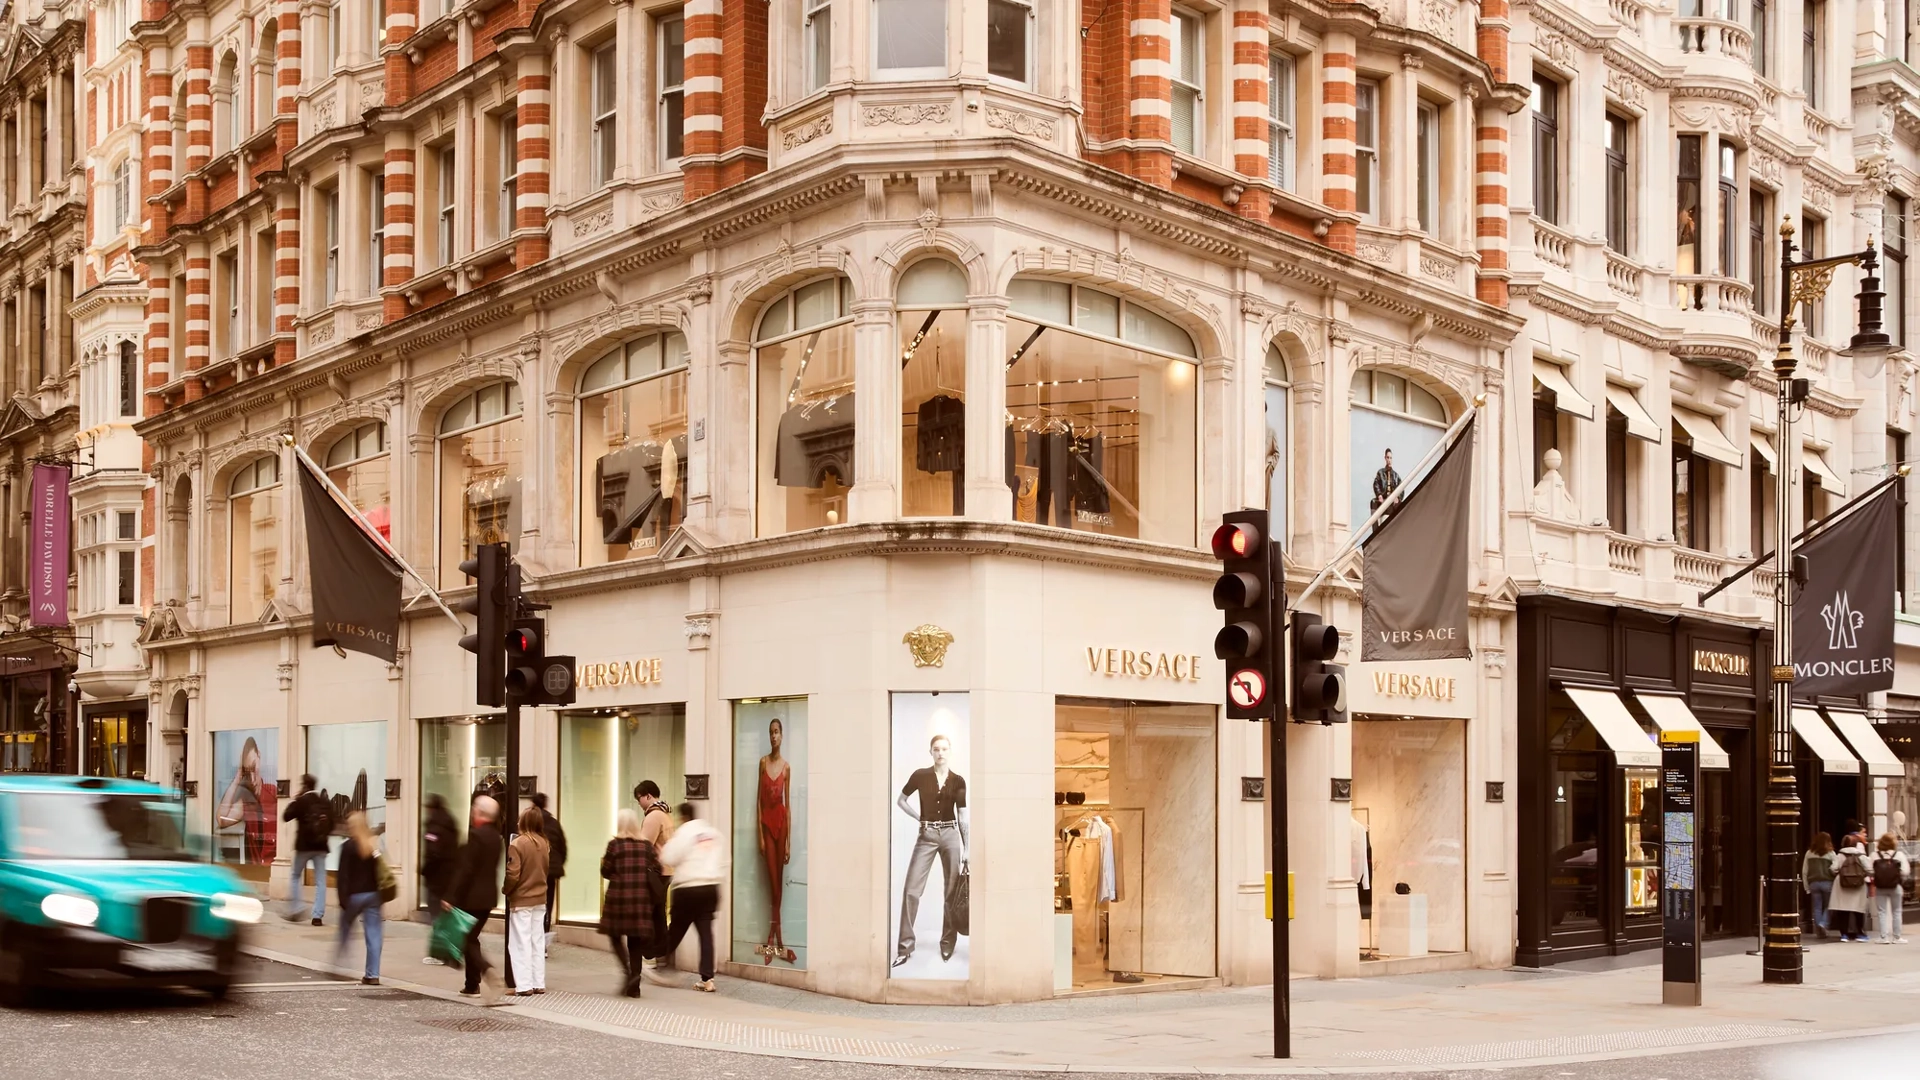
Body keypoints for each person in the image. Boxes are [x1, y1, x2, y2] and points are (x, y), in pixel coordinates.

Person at [893, 733, 969, 968]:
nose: (940, 753)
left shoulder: (958, 781)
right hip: (926, 835)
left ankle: (947, 943)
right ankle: (905, 948)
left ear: (950, 751)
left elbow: (963, 816)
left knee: (951, 891)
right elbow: (901, 800)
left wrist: (967, 848)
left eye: (944, 749)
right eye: (936, 749)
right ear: (931, 752)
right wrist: (919, 817)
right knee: (911, 890)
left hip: (950, 835)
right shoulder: (920, 775)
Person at [648, 803, 726, 992]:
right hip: (711, 887)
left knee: (676, 930)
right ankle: (707, 978)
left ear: (683, 817)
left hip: (688, 888)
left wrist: (662, 853)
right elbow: (723, 860)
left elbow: (670, 857)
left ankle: (661, 963)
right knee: (706, 934)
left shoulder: (685, 832)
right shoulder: (712, 833)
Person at [444, 795, 506, 1003]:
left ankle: (488, 972)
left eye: (474, 810)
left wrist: (450, 897)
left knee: (465, 938)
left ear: (480, 813)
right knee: (472, 938)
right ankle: (472, 984)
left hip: (472, 898)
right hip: (488, 898)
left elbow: (466, 870)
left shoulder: (477, 836)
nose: (472, 813)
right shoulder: (497, 838)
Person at [600, 808, 658, 997]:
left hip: (618, 898)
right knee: (635, 941)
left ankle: (627, 972)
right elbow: (656, 868)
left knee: (615, 936)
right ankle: (635, 983)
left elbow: (606, 871)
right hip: (640, 899)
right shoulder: (647, 847)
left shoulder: (614, 845)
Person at [757, 718, 795, 965]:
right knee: (773, 884)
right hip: (767, 825)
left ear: (782, 736)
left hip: (781, 824)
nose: (773, 736)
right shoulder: (763, 763)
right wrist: (759, 835)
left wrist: (789, 841)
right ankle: (776, 941)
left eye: (777, 732)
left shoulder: (786, 767)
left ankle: (774, 940)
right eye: (770, 732)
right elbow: (758, 802)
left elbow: (788, 806)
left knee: (778, 884)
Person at [503, 805, 551, 995]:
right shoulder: (544, 843)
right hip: (540, 898)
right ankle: (538, 982)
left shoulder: (518, 844)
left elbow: (513, 874)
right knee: (537, 941)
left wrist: (506, 890)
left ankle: (523, 986)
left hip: (522, 899)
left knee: (519, 943)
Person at [334, 812, 384, 985]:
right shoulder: (373, 846)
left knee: (345, 930)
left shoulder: (348, 846)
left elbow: (343, 876)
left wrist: (342, 900)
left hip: (354, 896)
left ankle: (340, 966)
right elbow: (380, 872)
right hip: (373, 895)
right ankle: (373, 974)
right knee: (374, 935)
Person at [215, 736, 277, 865]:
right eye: (248, 771)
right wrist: (237, 778)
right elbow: (221, 819)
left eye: (254, 767)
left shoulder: (273, 793)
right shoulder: (246, 802)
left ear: (259, 757)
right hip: (258, 868)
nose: (253, 776)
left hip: (276, 865)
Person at [282, 773, 334, 926]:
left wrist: (295, 799)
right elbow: (332, 824)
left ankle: (297, 907)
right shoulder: (324, 801)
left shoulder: (302, 801)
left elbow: (286, 816)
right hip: (321, 847)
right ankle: (317, 916)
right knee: (320, 881)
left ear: (304, 785)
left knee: (295, 875)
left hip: (304, 847)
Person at [635, 781, 676, 967]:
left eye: (639, 798)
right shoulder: (666, 815)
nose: (639, 803)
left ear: (648, 796)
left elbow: (644, 846)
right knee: (658, 911)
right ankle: (661, 952)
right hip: (667, 870)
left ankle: (652, 952)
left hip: (655, 871)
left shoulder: (653, 816)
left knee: (650, 912)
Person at [419, 793, 459, 963]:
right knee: (445, 917)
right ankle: (449, 950)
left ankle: (440, 953)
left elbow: (432, 853)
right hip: (449, 877)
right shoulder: (451, 824)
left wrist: (425, 870)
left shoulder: (434, 827)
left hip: (436, 878)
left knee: (436, 917)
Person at [531, 793, 568, 945]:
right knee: (548, 902)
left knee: (533, 903)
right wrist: (558, 863)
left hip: (534, 870)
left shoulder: (530, 821)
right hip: (551, 871)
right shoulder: (554, 823)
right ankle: (544, 936)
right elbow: (563, 845)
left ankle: (535, 937)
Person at [1830, 834, 1874, 942]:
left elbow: (1833, 869)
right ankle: (1860, 933)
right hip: (1858, 884)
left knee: (1843, 910)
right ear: (1856, 844)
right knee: (1858, 909)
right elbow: (1870, 870)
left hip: (1842, 884)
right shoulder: (1861, 856)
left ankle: (1844, 934)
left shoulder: (1840, 855)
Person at [1871, 833, 1911, 944]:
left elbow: (1869, 870)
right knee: (1897, 911)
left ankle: (1883, 937)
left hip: (1880, 887)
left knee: (1882, 912)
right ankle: (1897, 937)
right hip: (1896, 886)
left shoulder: (1875, 855)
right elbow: (1905, 871)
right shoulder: (1899, 855)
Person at [1802, 831, 1836, 939]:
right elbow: (1835, 868)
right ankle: (1823, 923)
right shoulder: (1831, 854)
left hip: (1813, 883)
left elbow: (1804, 871)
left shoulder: (1809, 853)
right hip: (1827, 882)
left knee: (1817, 907)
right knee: (1829, 906)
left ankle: (1819, 930)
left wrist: (1806, 886)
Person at [1369, 449, 1401, 513]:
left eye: (1391, 458)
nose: (1389, 460)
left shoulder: (1396, 475)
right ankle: (1374, 523)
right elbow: (1376, 484)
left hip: (1392, 501)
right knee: (1373, 502)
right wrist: (1379, 495)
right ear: (1385, 458)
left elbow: (1401, 487)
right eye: (1388, 457)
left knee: (1401, 505)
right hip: (1383, 499)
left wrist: (1397, 497)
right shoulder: (1380, 473)